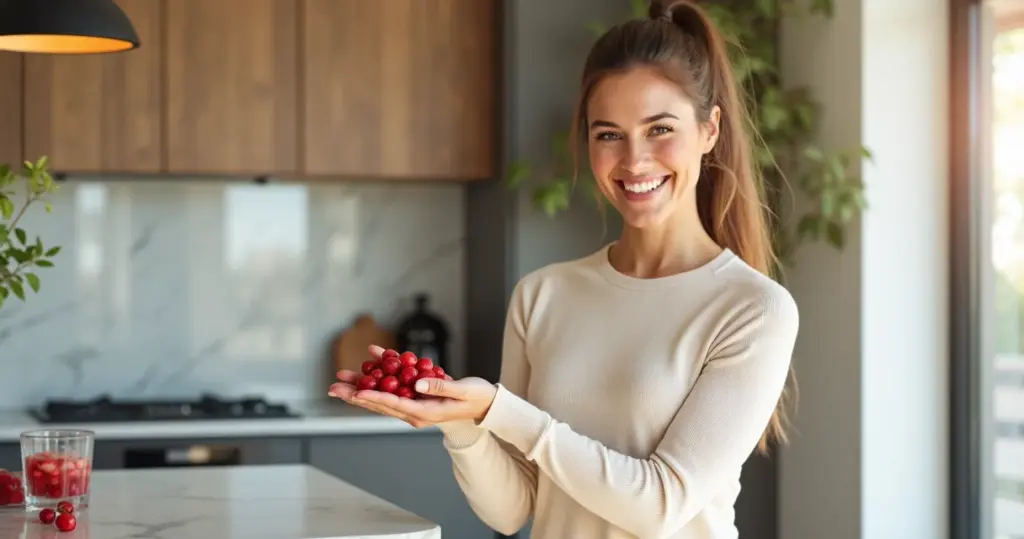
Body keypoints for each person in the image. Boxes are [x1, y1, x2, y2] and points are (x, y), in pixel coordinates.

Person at [329, 0, 800, 537]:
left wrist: (500, 411)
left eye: (660, 128)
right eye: (608, 134)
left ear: (709, 130)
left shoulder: (752, 308)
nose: (634, 160)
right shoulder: (542, 295)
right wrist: (462, 424)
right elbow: (511, 510)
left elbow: (660, 505)